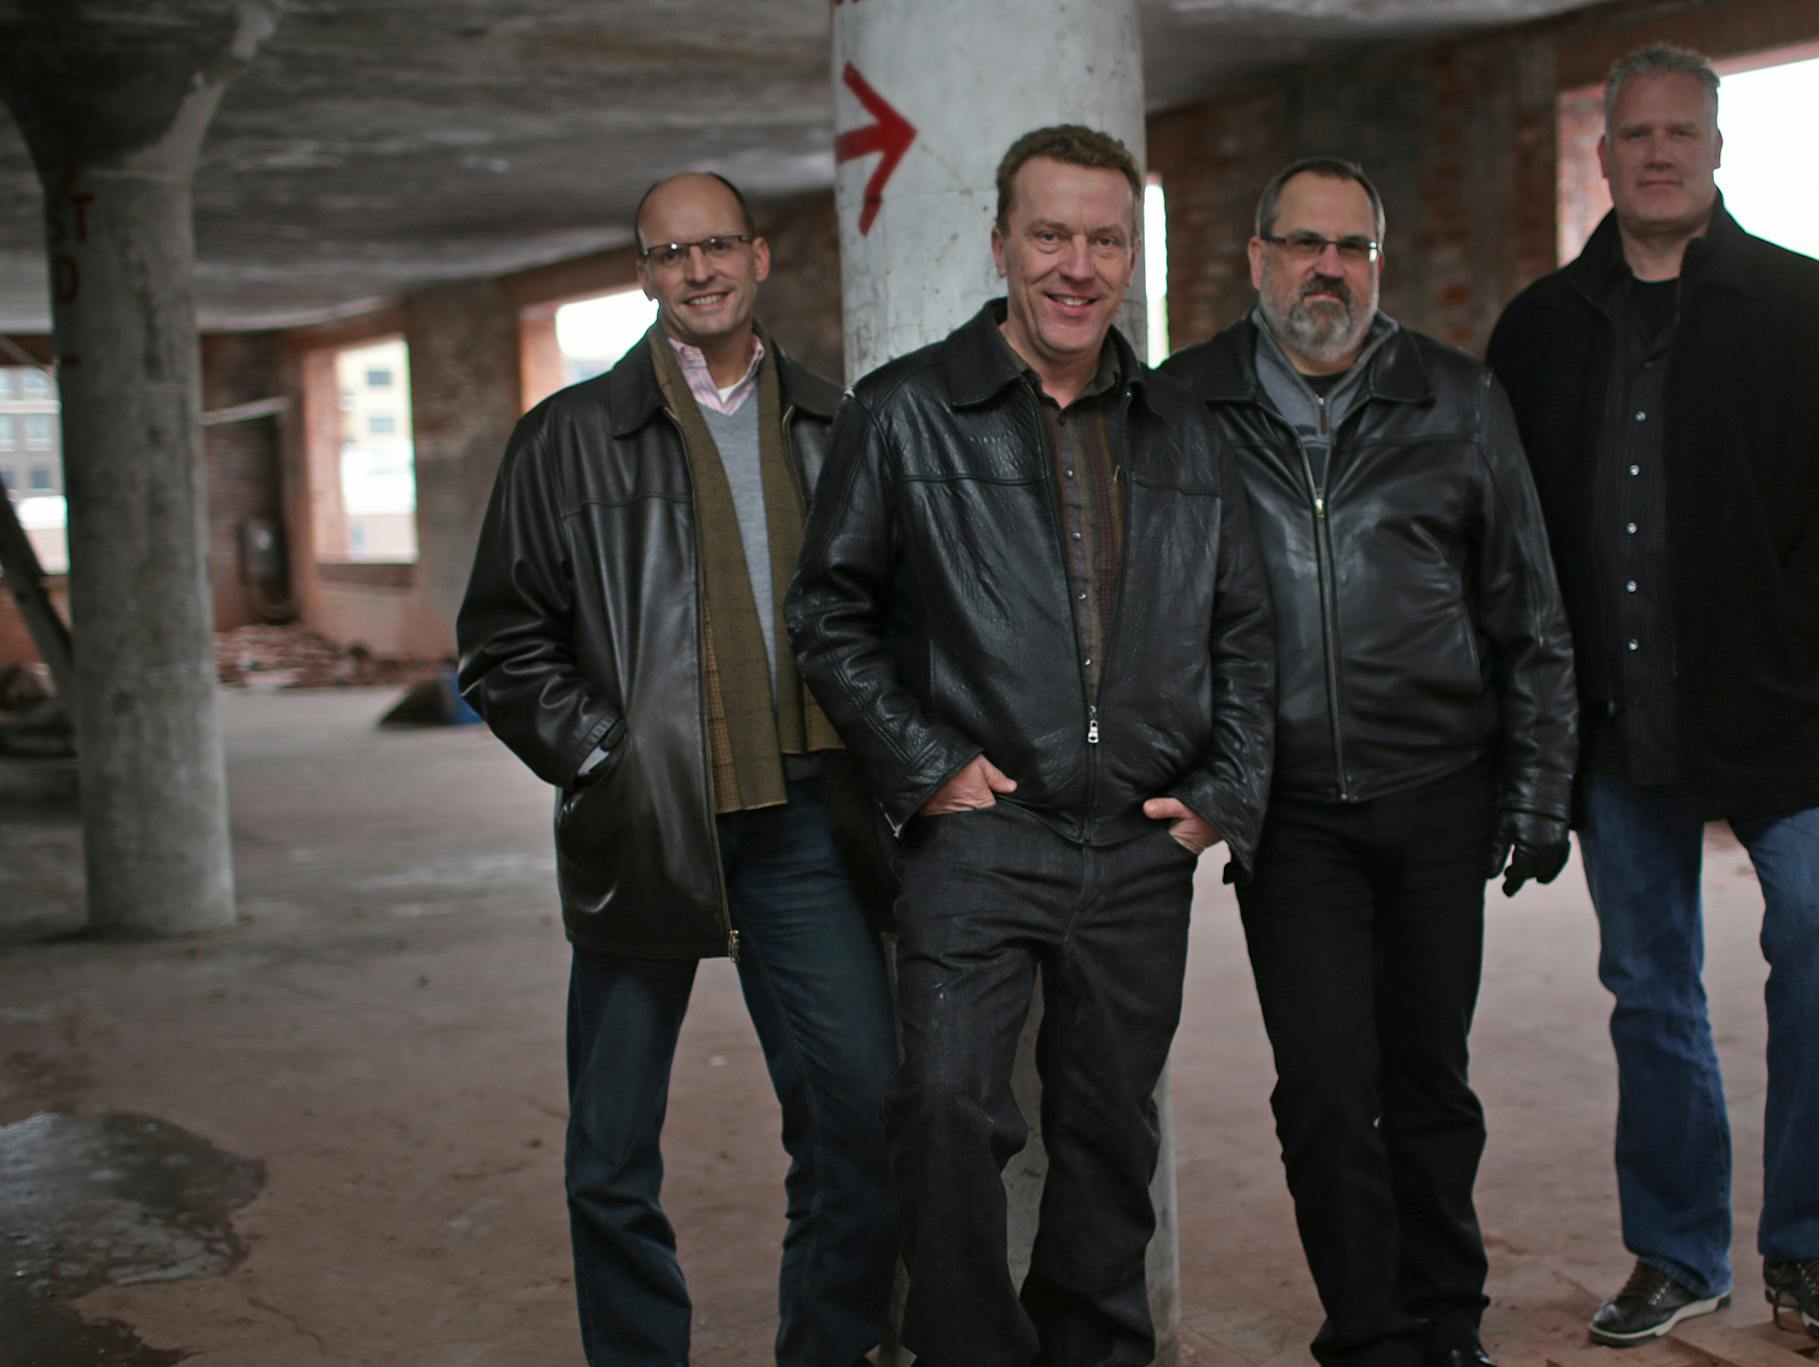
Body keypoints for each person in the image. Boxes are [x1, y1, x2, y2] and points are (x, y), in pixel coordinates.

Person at [786, 124, 1275, 1367]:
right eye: (1049, 234)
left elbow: (1249, 632)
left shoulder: (1184, 428)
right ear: (1001, 243)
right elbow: (827, 615)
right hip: (981, 834)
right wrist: (921, 763)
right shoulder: (906, 413)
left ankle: (1097, 1347)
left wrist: (1224, 788)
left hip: (1139, 839)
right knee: (945, 1107)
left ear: (1131, 257)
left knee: (1112, 1130)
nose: (1077, 265)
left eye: (1104, 239)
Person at [1486, 44, 1819, 1349]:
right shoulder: (1543, 327)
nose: (1659, 152)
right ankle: (1677, 1249)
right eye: (1636, 134)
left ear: (1717, 150)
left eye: (1683, 132)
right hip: (1619, 716)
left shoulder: (1804, 302)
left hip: (1785, 702)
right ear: (1603, 153)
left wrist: (1790, 618)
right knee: (1651, 982)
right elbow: (1505, 526)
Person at [456, 171, 898, 1367]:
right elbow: (498, 641)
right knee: (611, 1148)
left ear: (760, 258)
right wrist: (605, 754)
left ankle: (829, 1346)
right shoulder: (567, 437)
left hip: (807, 825)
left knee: (862, 1115)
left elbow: (889, 612)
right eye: (668, 253)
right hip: (645, 826)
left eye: (716, 246)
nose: (696, 270)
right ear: (644, 273)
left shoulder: (833, 422)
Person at [1160, 158, 1576, 1367]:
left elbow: (1531, 610)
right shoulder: (1188, 407)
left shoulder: (1458, 398)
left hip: (1441, 793)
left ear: (1378, 262)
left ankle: (1447, 1319)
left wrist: (1541, 788)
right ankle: (1371, 1328)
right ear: (1256, 258)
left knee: (1430, 1082)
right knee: (1330, 1094)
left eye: (1352, 246)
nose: (1327, 268)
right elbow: (1147, 617)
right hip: (1289, 818)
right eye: (1303, 244)